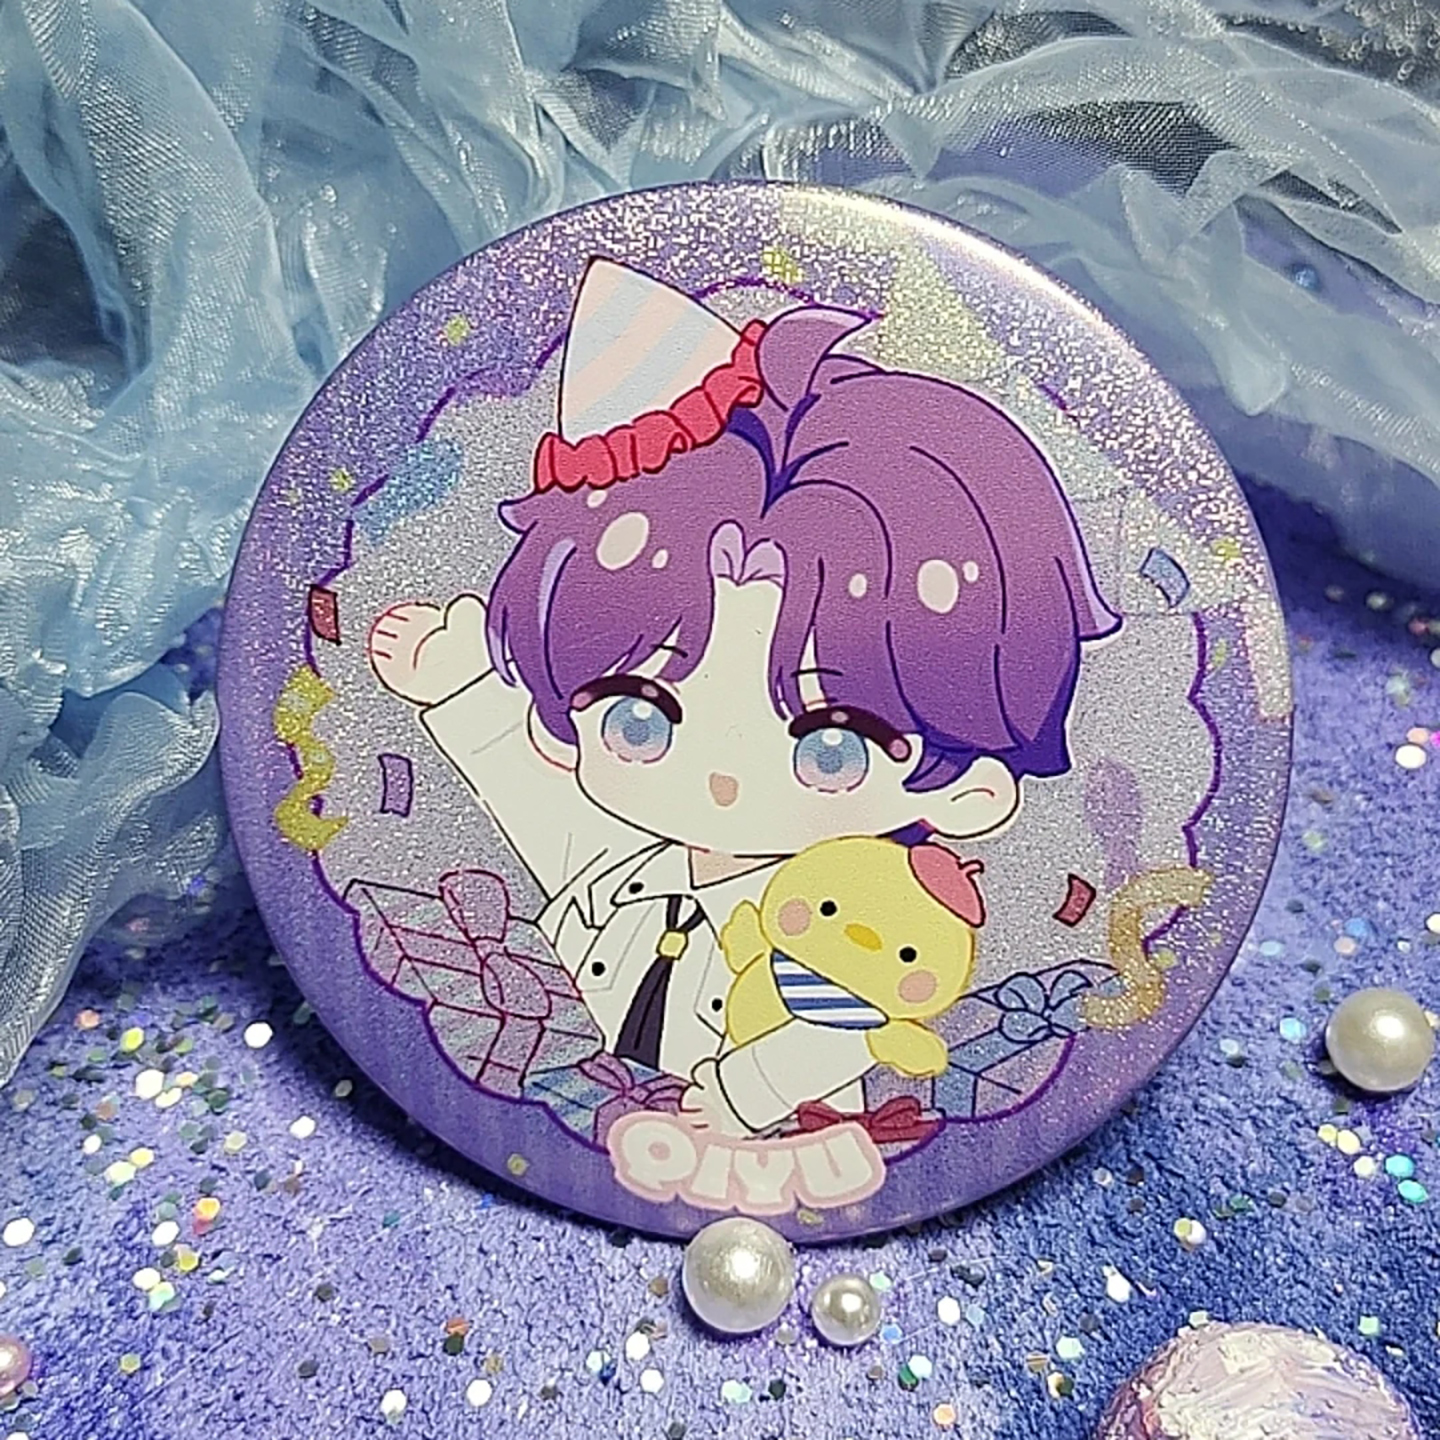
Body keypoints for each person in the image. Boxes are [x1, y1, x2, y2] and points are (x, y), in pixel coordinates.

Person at [367, 257, 1118, 1137]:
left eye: (829, 748)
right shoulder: (619, 868)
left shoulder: (852, 924)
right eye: (639, 719)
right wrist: (461, 688)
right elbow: (530, 797)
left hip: (775, 1152)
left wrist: (741, 1103)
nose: (722, 781)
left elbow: (844, 1037)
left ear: (972, 789)